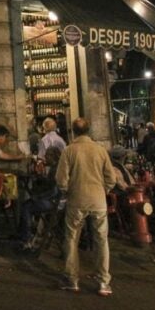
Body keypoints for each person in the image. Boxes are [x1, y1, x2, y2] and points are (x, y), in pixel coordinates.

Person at [56, 118, 116, 295]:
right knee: (101, 240)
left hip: (76, 200)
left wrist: (67, 191)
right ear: (89, 130)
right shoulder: (100, 150)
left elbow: (61, 180)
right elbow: (111, 178)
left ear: (72, 131)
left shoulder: (69, 151)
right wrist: (102, 189)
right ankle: (103, 282)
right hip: (98, 201)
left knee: (72, 238)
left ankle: (72, 279)